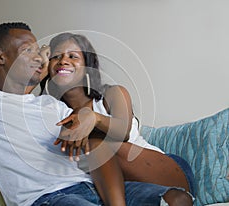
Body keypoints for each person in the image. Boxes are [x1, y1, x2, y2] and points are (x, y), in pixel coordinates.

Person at [39, 32, 196, 206]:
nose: (63, 61)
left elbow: (123, 131)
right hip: (118, 188)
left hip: (164, 173)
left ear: (87, 66)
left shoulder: (112, 94)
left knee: (97, 144)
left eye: (72, 56)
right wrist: (39, 61)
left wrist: (94, 118)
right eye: (56, 57)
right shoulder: (52, 112)